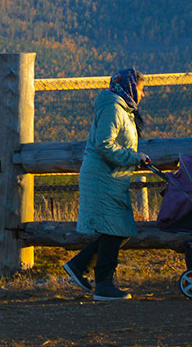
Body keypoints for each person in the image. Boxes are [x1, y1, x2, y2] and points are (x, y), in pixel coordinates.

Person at [63, 68, 150, 301]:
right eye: (141, 89)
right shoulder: (113, 108)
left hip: (111, 177)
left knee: (119, 230)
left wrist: (133, 158)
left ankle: (80, 265)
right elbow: (104, 144)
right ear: (131, 87)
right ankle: (103, 285)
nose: (143, 95)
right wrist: (134, 157)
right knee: (116, 229)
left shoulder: (122, 109)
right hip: (103, 178)